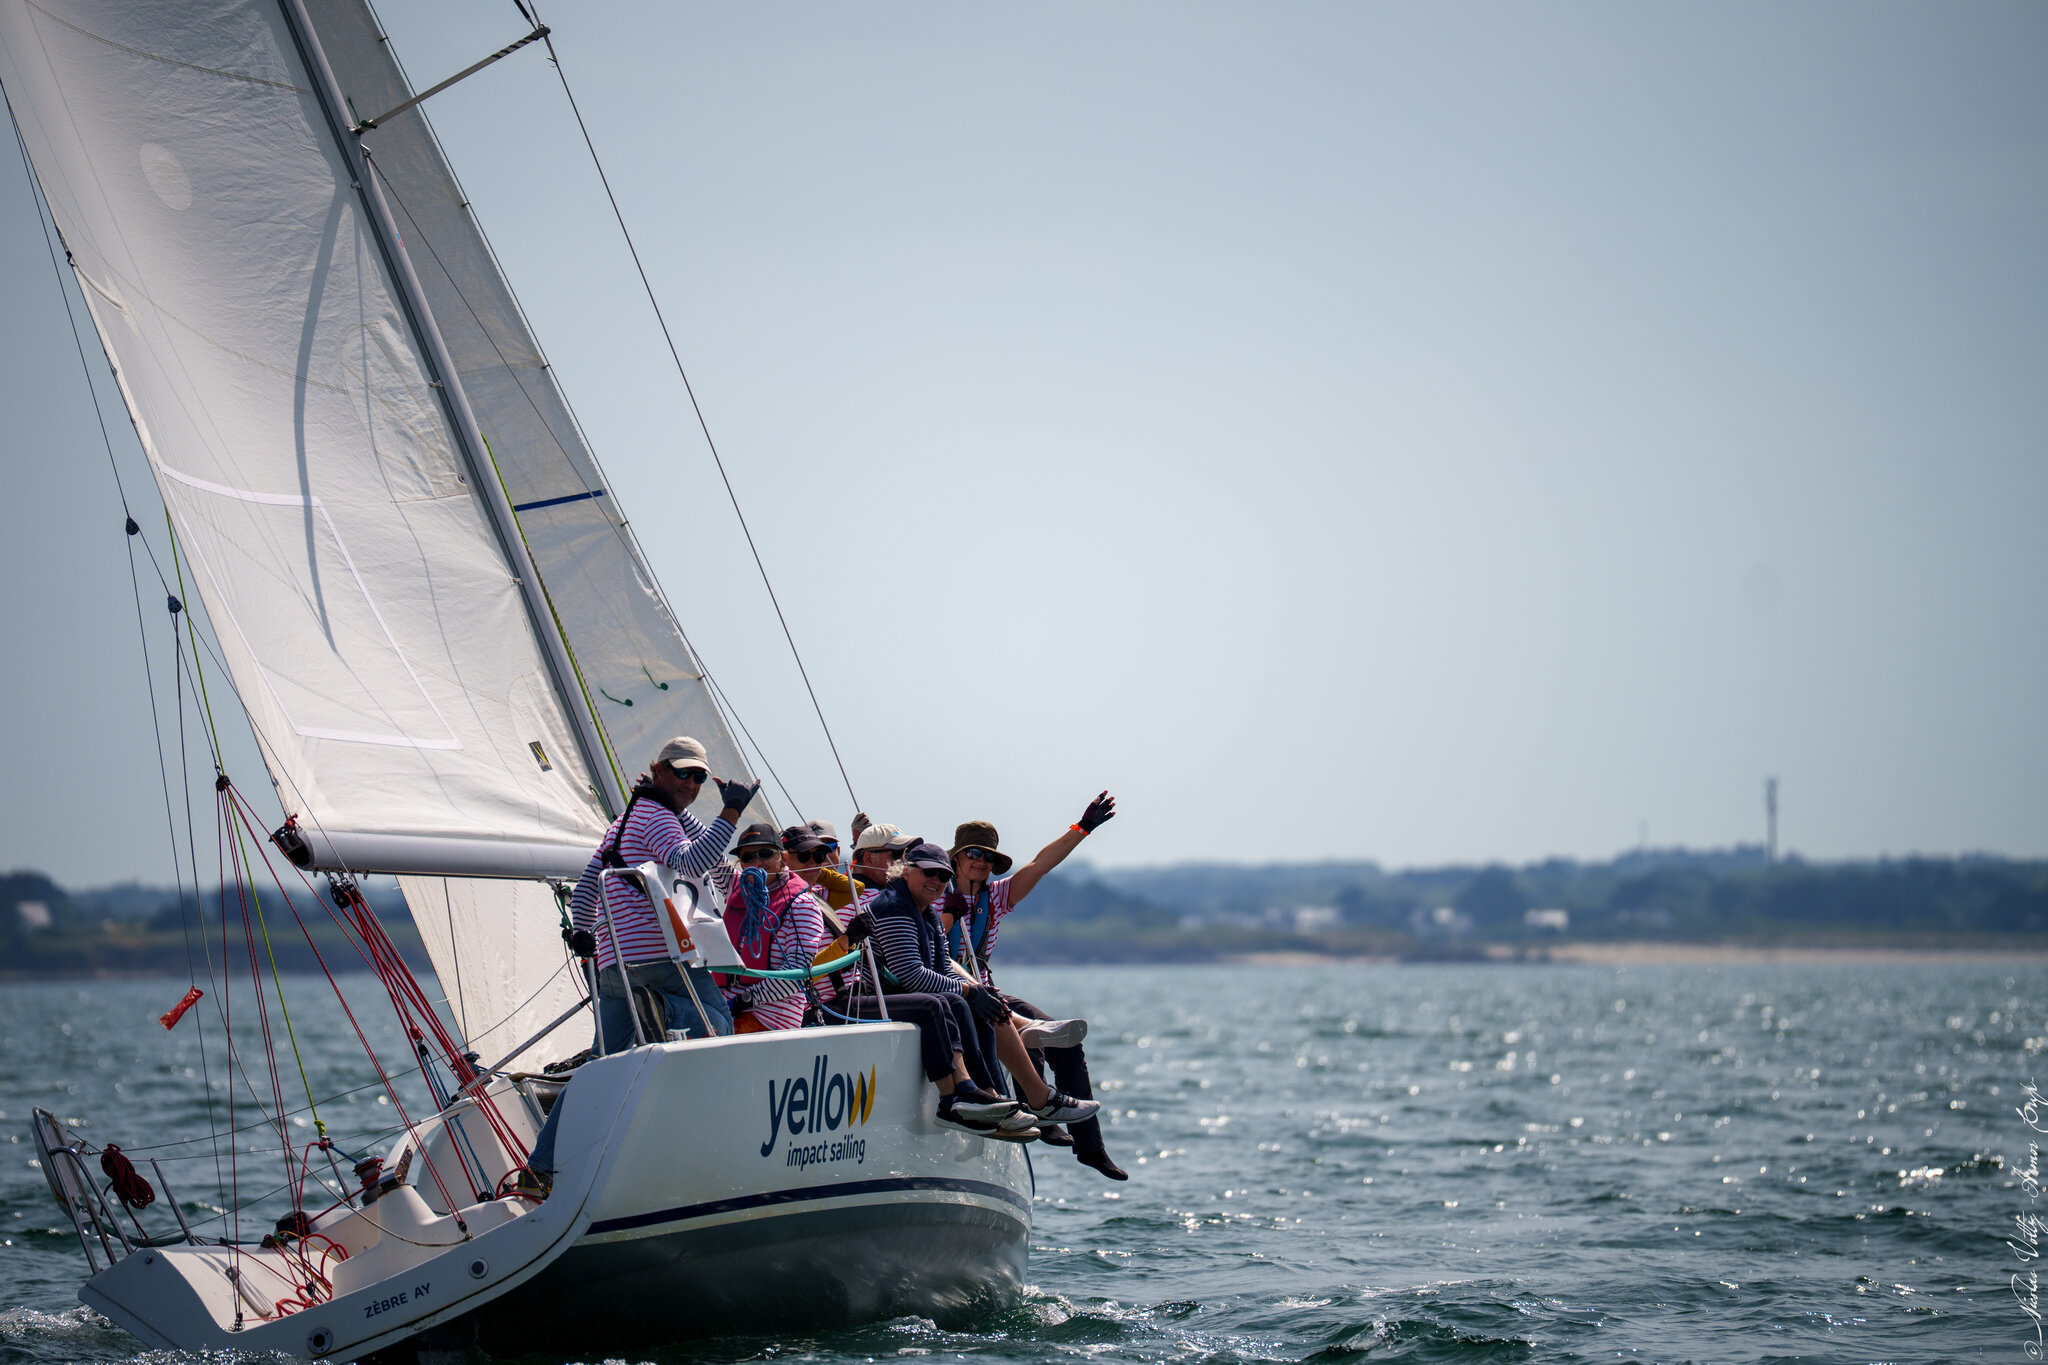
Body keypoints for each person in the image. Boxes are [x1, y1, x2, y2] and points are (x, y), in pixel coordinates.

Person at [523, 737, 759, 1189]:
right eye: (682, 773)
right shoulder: (656, 818)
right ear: (659, 770)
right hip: (661, 960)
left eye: (699, 776)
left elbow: (588, 886)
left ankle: (538, 1171)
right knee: (717, 1024)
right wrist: (731, 811)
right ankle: (663, 1012)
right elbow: (693, 861)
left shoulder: (628, 819)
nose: (691, 783)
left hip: (614, 967)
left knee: (597, 1070)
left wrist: (583, 932)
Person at [942, 793, 1127, 1180]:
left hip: (987, 989)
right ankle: (1040, 1113)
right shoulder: (933, 893)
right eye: (973, 853)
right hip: (951, 991)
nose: (981, 861)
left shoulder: (996, 896)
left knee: (1062, 1038)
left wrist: (1083, 827)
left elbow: (1041, 864)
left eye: (988, 856)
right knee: (1027, 1035)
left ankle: (1090, 1147)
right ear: (956, 857)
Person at [867, 841, 1100, 1138]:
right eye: (928, 872)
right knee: (960, 1002)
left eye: (943, 876)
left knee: (982, 1002)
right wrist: (969, 992)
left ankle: (999, 1098)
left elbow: (942, 967)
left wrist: (977, 992)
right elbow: (912, 976)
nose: (936, 881)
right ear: (906, 871)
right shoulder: (893, 908)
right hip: (878, 997)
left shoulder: (928, 913)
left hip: (914, 992)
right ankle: (1015, 1095)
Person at [720, 824, 828, 1031]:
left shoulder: (802, 904)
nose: (757, 862)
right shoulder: (737, 889)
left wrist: (744, 1000)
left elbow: (797, 970)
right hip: (725, 1010)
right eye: (747, 857)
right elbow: (709, 855)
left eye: (765, 854)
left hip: (769, 1019)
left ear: (784, 858)